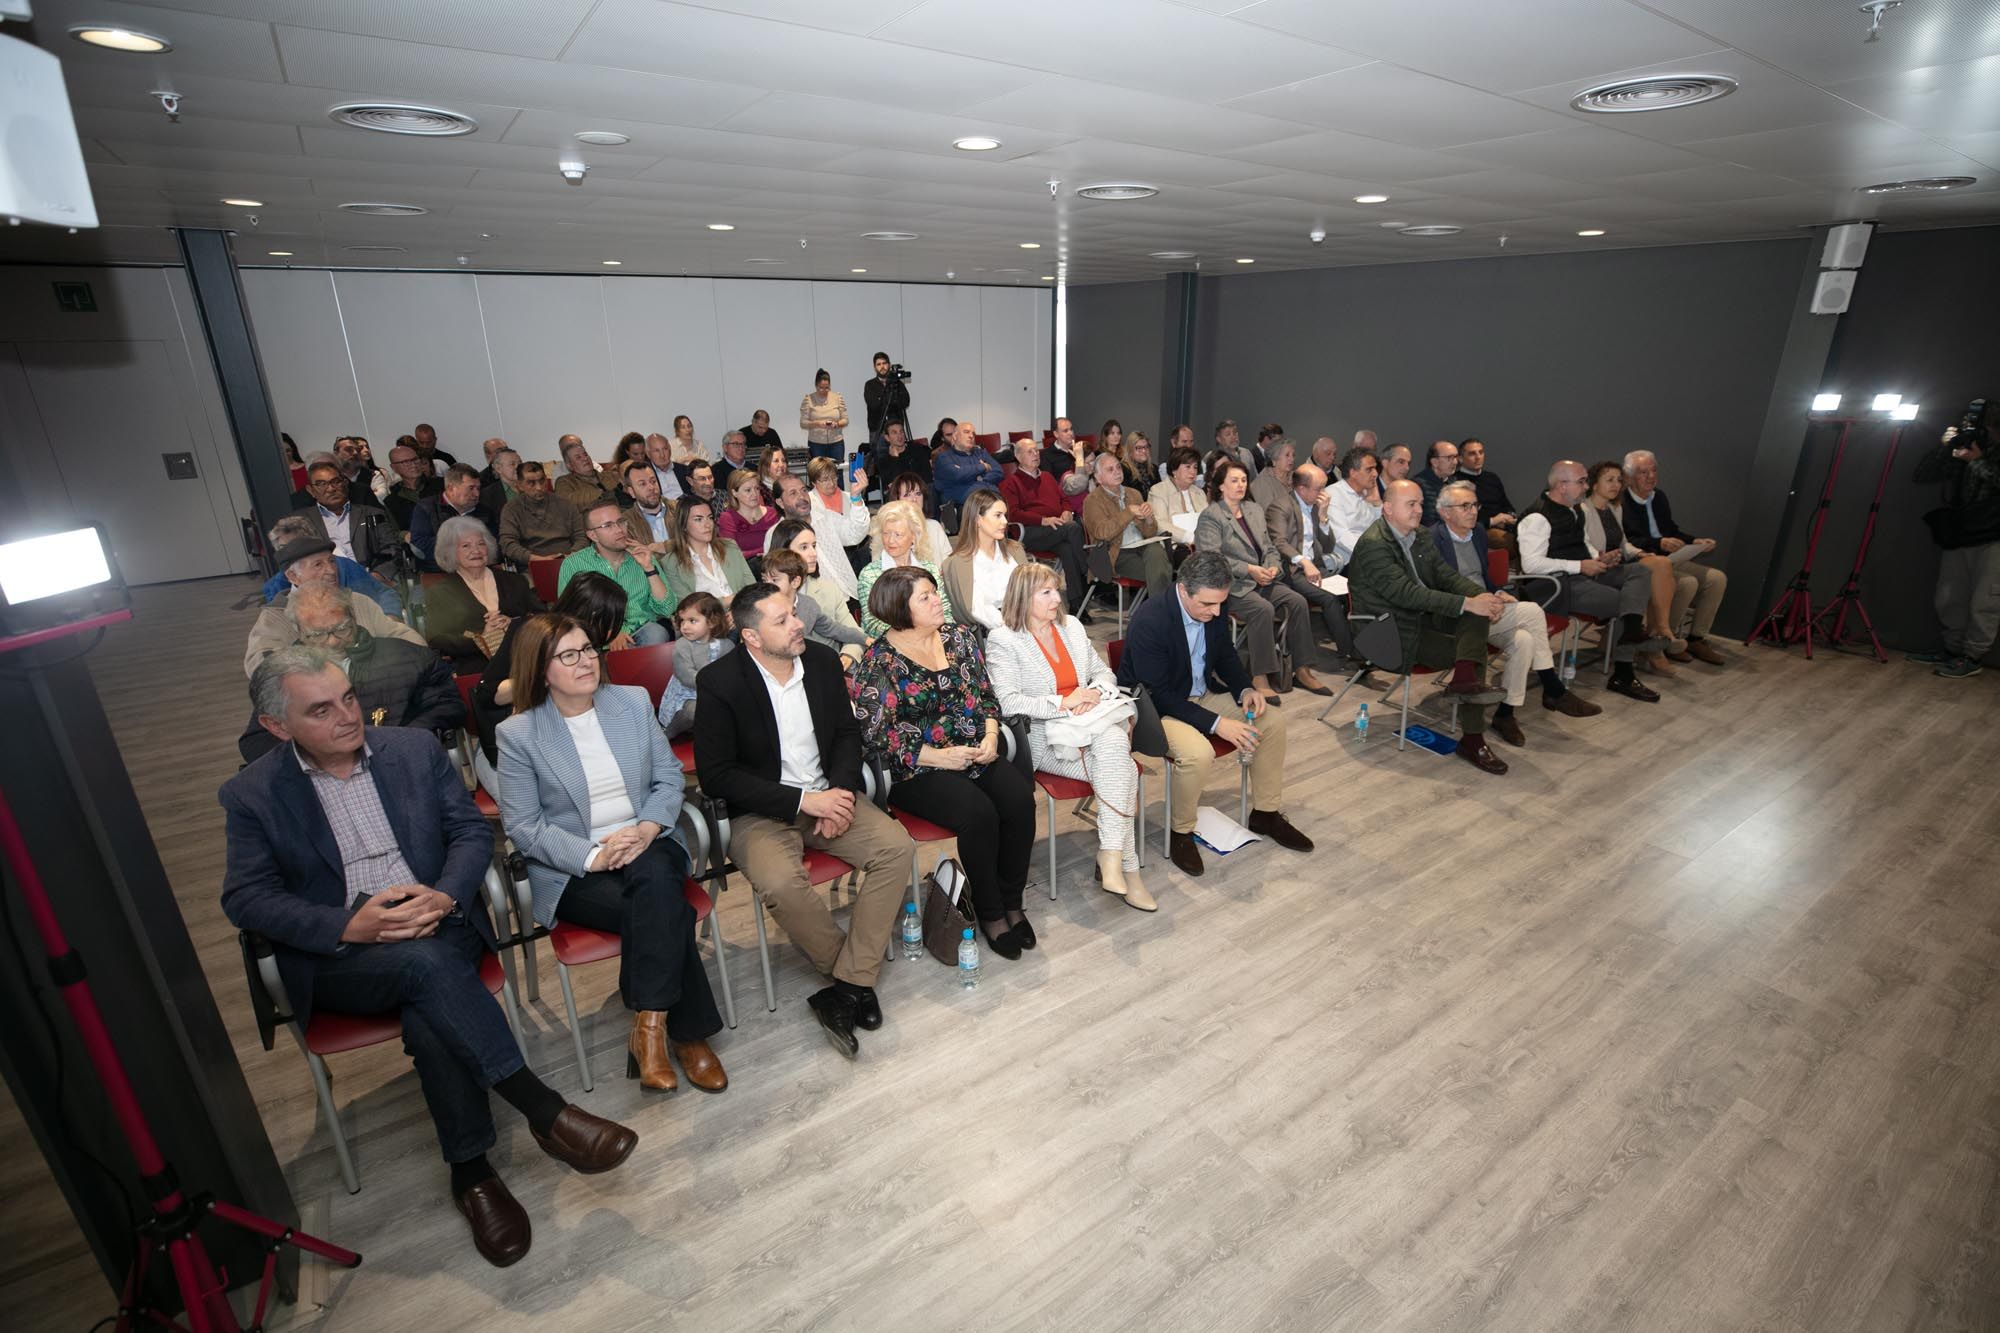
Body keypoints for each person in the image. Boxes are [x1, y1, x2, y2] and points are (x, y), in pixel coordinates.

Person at [223, 649, 635, 1268]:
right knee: (427, 972)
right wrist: (349, 924)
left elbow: (470, 833)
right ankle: (542, 1111)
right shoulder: (253, 794)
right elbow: (246, 897)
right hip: (346, 958)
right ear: (277, 726)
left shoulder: (411, 751)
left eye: (349, 698)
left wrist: (443, 895)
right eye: (321, 709)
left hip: (440, 920)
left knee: (429, 995)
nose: (346, 716)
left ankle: (472, 1174)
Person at [496, 615, 727, 1096]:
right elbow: (523, 826)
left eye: (588, 650)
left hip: (647, 841)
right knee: (669, 912)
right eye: (569, 655)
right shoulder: (519, 734)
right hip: (574, 867)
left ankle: (651, 1028)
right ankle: (687, 1034)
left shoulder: (630, 701)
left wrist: (644, 828)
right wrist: (593, 857)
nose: (586, 662)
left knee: (656, 884)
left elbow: (667, 778)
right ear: (540, 671)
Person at [695, 583, 915, 1055]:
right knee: (781, 884)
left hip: (829, 794)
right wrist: (802, 802)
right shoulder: (719, 681)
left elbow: (845, 732)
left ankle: (849, 986)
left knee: (896, 849)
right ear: (751, 637)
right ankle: (852, 977)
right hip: (762, 812)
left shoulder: (817, 660)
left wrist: (837, 793)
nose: (797, 624)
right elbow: (716, 776)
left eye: (794, 613)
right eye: (782, 620)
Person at [853, 567, 1037, 958]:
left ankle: (1012, 901)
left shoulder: (959, 638)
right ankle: (990, 913)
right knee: (979, 813)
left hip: (974, 749)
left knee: (1020, 800)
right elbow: (876, 735)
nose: (938, 600)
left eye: (935, 592)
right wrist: (937, 756)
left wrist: (990, 737)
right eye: (925, 597)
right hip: (917, 767)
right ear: (899, 608)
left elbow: (987, 696)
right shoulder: (880, 659)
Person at [1115, 552, 1310, 878]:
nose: (1217, 612)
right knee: (1198, 753)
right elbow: (1159, 694)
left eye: (1220, 604)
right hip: (1156, 709)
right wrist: (1219, 724)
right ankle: (1181, 832)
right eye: (1208, 604)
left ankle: (1265, 813)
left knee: (1272, 723)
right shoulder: (1151, 619)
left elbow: (1225, 655)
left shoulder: (1212, 605)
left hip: (1200, 694)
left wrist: (1246, 689)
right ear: (1183, 589)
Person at [986, 562, 1154, 910]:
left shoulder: (1072, 627)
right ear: (1022, 597)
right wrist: (1065, 702)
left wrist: (1093, 692)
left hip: (1093, 724)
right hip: (1046, 738)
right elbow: (1007, 700)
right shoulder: (1003, 640)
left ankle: (1113, 856)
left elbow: (1103, 672)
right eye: (1045, 592)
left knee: (1113, 752)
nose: (1056, 599)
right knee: (1121, 770)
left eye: (1056, 590)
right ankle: (1126, 865)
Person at [1346, 480, 1516, 773]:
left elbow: (1445, 575)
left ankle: (1464, 682)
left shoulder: (1421, 535)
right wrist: (1467, 603)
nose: (1418, 510)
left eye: (1420, 503)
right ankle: (1473, 737)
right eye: (1410, 504)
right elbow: (1406, 594)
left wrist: (1480, 596)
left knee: (1474, 621)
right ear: (1387, 509)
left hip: (1419, 619)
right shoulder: (1374, 544)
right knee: (1473, 650)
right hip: (1389, 633)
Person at [1433, 480, 1601, 745]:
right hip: (1460, 616)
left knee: (1524, 640)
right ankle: (1554, 688)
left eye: (1475, 505)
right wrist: (1481, 600)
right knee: (1533, 611)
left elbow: (1483, 577)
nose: (1473, 511)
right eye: (1464, 506)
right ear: (1445, 512)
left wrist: (1498, 592)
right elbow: (1439, 587)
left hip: (1489, 608)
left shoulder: (1477, 532)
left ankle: (1506, 713)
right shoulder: (1433, 540)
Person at [236, 585, 463, 762]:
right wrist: (315, 757)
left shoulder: (409, 657)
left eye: (342, 628)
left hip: (399, 761)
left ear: (354, 619)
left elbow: (446, 705)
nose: (334, 641)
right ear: (299, 632)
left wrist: (400, 741)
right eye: (318, 634)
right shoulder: (283, 675)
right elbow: (256, 742)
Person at [1518, 461, 1664, 704]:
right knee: (1623, 602)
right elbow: (1531, 565)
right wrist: (1580, 566)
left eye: (1586, 480)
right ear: (1562, 485)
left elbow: (1583, 545)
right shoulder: (1537, 517)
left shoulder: (1575, 509)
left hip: (1584, 572)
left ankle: (1630, 633)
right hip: (1558, 585)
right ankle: (1624, 671)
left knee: (1640, 571)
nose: (1586, 486)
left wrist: (1599, 558)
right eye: (1582, 481)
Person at [470, 572, 626, 795]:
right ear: (590, 614)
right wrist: (547, 674)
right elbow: (487, 693)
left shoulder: (591, 647)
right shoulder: (529, 632)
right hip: (515, 747)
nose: (611, 631)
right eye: (608, 621)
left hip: (569, 745)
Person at [1195, 458, 1330, 697]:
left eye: (1244, 480)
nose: (1240, 485)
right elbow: (1212, 558)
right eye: (1234, 481)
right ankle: (1260, 676)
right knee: (1262, 609)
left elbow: (1269, 547)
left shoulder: (1253, 510)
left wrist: (1273, 567)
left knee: (1297, 602)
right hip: (1232, 585)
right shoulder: (1211, 516)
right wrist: (1250, 569)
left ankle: (1303, 669)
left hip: (1263, 578)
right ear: (1221, 486)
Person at [246, 535, 425, 676]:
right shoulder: (276, 616)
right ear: (293, 576)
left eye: (332, 561)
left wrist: (423, 661)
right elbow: (259, 664)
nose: (331, 571)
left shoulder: (357, 601)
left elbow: (397, 634)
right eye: (318, 565)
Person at [1907, 412, 2000, 677]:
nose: (1972, 432)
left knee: (1987, 599)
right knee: (1948, 596)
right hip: (1960, 530)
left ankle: (1972, 656)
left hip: (1993, 535)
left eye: (1980, 427)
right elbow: (1922, 474)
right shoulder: (1960, 448)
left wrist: (1977, 461)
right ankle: (1952, 649)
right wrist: (1945, 447)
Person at [1620, 450, 1728, 667]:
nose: (1651, 476)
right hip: (1645, 559)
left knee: (1717, 578)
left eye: (1653, 470)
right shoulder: (1620, 501)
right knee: (1687, 583)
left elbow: (1671, 529)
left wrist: (1695, 541)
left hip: (1670, 556)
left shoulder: (1658, 496)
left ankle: (1697, 638)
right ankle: (1662, 641)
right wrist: (1658, 543)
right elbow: (1626, 539)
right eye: (1643, 472)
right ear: (1629, 477)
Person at [1584, 461, 1685, 676]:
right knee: (1650, 572)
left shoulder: (1615, 508)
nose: (1616, 485)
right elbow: (1583, 544)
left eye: (1619, 480)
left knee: (1659, 563)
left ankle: (1659, 630)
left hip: (1617, 564)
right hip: (1596, 569)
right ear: (1594, 484)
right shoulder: (1583, 509)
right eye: (1609, 480)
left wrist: (1638, 552)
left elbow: (1623, 543)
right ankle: (1656, 637)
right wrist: (1600, 557)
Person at [1265, 462, 1357, 662]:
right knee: (1329, 598)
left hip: (1316, 567)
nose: (1324, 494)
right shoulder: (1281, 506)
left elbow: (1328, 546)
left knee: (1353, 590)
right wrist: (1304, 561)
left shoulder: (1315, 506)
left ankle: (1360, 643)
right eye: (1319, 488)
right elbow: (1278, 542)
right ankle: (1349, 651)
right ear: (1301, 489)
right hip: (1291, 569)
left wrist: (1324, 518)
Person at [425, 516, 543, 669]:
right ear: (451, 552)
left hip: (523, 659)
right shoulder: (440, 592)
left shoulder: (515, 581)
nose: (476, 551)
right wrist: (481, 638)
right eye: (466, 546)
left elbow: (542, 617)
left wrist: (515, 625)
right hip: (474, 665)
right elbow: (437, 639)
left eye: (481, 544)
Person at [558, 496, 673, 647]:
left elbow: (667, 609)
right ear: (592, 535)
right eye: (608, 525)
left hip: (640, 632)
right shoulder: (573, 564)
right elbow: (569, 615)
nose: (619, 530)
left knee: (656, 633)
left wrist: (649, 568)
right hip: (596, 637)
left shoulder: (642, 556)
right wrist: (611, 633)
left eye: (620, 522)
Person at [1000, 438, 1091, 617]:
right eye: (1030, 452)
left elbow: (1064, 499)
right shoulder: (1011, 483)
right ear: (1018, 457)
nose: (1036, 454)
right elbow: (1013, 514)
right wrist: (1043, 520)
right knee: (1072, 529)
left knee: (1067, 549)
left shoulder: (1047, 477)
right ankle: (1087, 571)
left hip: (1054, 531)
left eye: (1036, 451)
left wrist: (1066, 511)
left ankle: (1077, 604)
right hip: (1029, 533)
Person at [260, 513, 403, 617]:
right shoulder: (275, 589)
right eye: (282, 548)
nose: (289, 554)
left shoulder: (344, 567)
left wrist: (390, 619)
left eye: (296, 546)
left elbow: (383, 593)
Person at [1082, 448, 1173, 601]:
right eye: (1110, 469)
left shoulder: (1134, 494)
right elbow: (1102, 532)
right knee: (1163, 570)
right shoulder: (1093, 500)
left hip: (1142, 547)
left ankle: (1156, 613)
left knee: (1156, 550)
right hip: (1116, 554)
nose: (1117, 472)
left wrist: (1149, 519)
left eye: (1118, 467)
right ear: (1098, 478)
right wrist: (1128, 513)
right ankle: (1161, 612)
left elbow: (1150, 533)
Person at [768, 519, 865, 657]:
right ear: (784, 553)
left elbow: (853, 631)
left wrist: (847, 656)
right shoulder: (765, 597)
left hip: (830, 664)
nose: (813, 553)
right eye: (804, 547)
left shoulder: (829, 589)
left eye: (814, 545)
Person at [861, 498, 953, 635]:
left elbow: (944, 611)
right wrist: (916, 635)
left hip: (932, 638)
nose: (890, 540)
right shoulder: (870, 575)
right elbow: (872, 624)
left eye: (898, 534)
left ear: (914, 536)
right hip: (892, 646)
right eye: (886, 533)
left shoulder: (929, 569)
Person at [294, 456, 397, 571]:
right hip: (327, 582)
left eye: (336, 481)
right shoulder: (300, 522)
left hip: (371, 578)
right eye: (322, 484)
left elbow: (391, 549)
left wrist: (379, 575)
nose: (331, 489)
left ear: (345, 484)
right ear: (311, 491)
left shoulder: (372, 513)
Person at [937, 489, 1019, 632]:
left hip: (1024, 622)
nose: (1005, 521)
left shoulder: (1015, 551)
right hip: (991, 634)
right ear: (977, 519)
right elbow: (977, 610)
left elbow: (1031, 591)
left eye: (1005, 515)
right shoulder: (956, 564)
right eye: (998, 515)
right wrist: (1013, 626)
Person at [657, 593, 733, 738]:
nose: (684, 626)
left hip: (715, 692)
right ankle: (668, 732)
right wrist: (716, 687)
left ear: (712, 622)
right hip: (688, 695)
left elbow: (731, 673)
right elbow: (687, 676)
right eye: (682, 621)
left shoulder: (726, 645)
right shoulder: (682, 646)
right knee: (694, 710)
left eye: (692, 621)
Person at [657, 494, 754, 608]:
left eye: (710, 517)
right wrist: (728, 601)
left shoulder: (729, 547)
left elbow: (751, 588)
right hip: (708, 621)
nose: (707, 524)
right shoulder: (671, 563)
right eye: (698, 519)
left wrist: (736, 611)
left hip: (743, 612)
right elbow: (689, 607)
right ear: (683, 525)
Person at [410, 464, 499, 572]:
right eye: (471, 488)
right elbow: (420, 545)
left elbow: (493, 544)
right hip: (439, 573)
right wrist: (462, 548)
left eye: (478, 488)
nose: (476, 494)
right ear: (451, 488)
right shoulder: (426, 508)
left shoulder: (484, 511)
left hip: (478, 571)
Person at [499, 461, 588, 569]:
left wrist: (572, 556)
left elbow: (581, 536)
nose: (539, 487)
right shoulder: (511, 509)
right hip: (533, 564)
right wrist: (536, 559)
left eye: (542, 481)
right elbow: (507, 544)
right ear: (519, 485)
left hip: (570, 560)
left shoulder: (565, 503)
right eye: (531, 483)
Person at [805, 456, 871, 598]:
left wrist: (856, 498)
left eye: (834, 477)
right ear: (813, 482)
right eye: (825, 480)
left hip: (857, 552)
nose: (831, 483)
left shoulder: (850, 496)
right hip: (831, 560)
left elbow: (862, 527)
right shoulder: (809, 503)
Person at [1455, 437, 1520, 544]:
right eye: (1472, 454)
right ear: (1461, 459)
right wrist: (1492, 521)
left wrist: (1510, 516)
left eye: (1481, 452)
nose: (1478, 457)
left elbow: (1506, 504)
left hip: (1505, 525)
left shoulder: (1492, 477)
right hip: (1480, 530)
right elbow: (1462, 516)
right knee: (1514, 543)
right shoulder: (1456, 482)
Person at [1327, 447, 1384, 564]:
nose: (1376, 474)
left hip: (1369, 557)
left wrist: (1377, 503)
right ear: (1353, 473)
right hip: (1347, 562)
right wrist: (1372, 554)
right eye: (1369, 470)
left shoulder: (1366, 493)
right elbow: (1341, 536)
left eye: (1375, 469)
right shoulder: (1333, 494)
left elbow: (1382, 528)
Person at [934, 419, 1004, 512]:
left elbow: (999, 472)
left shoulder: (981, 453)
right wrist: (982, 467)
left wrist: (980, 478)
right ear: (955, 436)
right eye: (966, 432)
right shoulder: (944, 458)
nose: (971, 436)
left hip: (993, 500)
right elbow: (957, 474)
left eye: (973, 434)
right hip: (966, 507)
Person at [1149, 445, 1209, 550]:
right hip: (1176, 546)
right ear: (1174, 470)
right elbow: (1159, 524)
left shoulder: (1199, 493)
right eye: (1188, 467)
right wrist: (1190, 538)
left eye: (1195, 467)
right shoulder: (1158, 491)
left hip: (1203, 544)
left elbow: (1208, 520)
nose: (1193, 471)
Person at [718, 465, 779, 561]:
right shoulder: (727, 518)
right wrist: (764, 551)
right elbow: (731, 554)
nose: (754, 494)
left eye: (757, 488)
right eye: (748, 490)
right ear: (734, 493)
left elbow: (781, 545)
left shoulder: (773, 513)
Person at [382, 439, 443, 529]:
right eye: (405, 462)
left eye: (415, 459)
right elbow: (394, 531)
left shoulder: (441, 484)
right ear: (394, 468)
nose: (414, 465)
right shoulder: (391, 501)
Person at [885, 472, 950, 554]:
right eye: (907, 495)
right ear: (896, 499)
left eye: (918, 494)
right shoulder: (889, 532)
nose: (914, 499)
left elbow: (947, 562)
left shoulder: (935, 526)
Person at [620, 458, 674, 554]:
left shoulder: (679, 508)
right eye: (642, 484)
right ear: (631, 492)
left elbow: (694, 541)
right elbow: (637, 556)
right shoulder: (626, 522)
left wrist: (665, 547)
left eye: (653, 481)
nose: (651, 487)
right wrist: (676, 546)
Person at [799, 368, 848, 463]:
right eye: (821, 388)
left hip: (836, 443)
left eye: (827, 388)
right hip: (816, 444)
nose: (824, 390)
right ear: (816, 385)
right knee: (818, 473)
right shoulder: (808, 399)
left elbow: (845, 420)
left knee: (838, 472)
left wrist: (837, 424)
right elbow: (803, 423)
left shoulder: (837, 397)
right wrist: (817, 423)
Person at [862, 352, 911, 444]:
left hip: (896, 430)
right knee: (879, 457)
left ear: (889, 365)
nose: (882, 367)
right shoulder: (870, 385)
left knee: (898, 457)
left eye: (884, 363)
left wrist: (883, 399)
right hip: (878, 430)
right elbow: (874, 406)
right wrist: (891, 399)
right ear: (875, 367)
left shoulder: (897, 383)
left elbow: (905, 402)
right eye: (879, 364)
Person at [872, 419, 930, 493]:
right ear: (887, 438)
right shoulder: (883, 459)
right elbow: (893, 484)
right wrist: (895, 458)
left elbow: (927, 477)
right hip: (899, 495)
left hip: (921, 490)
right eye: (894, 433)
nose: (899, 436)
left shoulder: (917, 449)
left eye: (901, 431)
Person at [1416, 440, 1459, 527]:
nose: (1455, 462)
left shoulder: (1455, 483)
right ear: (1435, 462)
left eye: (1455, 457)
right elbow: (1428, 521)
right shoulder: (1418, 485)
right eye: (1449, 458)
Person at [1249, 436, 1296, 510]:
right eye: (1287, 455)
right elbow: (1268, 514)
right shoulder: (1262, 483)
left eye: (1293, 455)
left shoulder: (1295, 477)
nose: (1292, 459)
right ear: (1274, 459)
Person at [640, 432, 687, 504]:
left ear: (670, 450)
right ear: (648, 454)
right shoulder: (644, 475)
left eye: (665, 449)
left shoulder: (684, 470)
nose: (662, 455)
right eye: (656, 451)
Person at [1120, 429, 1162, 495]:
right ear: (1130, 450)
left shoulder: (1154, 469)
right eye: (1139, 448)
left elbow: (1160, 493)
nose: (1144, 451)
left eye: (1146, 447)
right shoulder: (1123, 470)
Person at [710, 431, 751, 497]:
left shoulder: (754, 468)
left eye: (743, 444)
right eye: (736, 444)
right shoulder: (716, 470)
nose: (741, 448)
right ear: (725, 448)